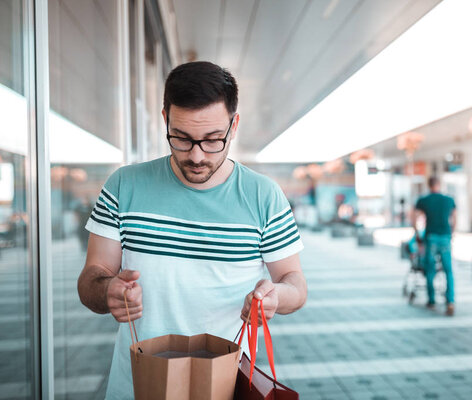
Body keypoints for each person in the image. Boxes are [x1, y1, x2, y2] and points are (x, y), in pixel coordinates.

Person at [77, 61, 307, 399]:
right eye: (182, 139)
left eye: (213, 140)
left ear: (234, 124)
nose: (197, 156)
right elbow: (89, 280)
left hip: (223, 385)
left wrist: (276, 296)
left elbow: (295, 284)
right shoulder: (123, 186)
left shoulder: (264, 196)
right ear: (165, 119)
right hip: (138, 386)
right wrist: (107, 289)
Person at [412, 176, 456, 316]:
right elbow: (454, 218)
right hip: (445, 237)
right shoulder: (448, 200)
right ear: (439, 184)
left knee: (430, 269)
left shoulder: (423, 200)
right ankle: (450, 301)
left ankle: (431, 300)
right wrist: (451, 233)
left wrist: (417, 235)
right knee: (448, 270)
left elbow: (414, 217)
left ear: (429, 185)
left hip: (430, 237)